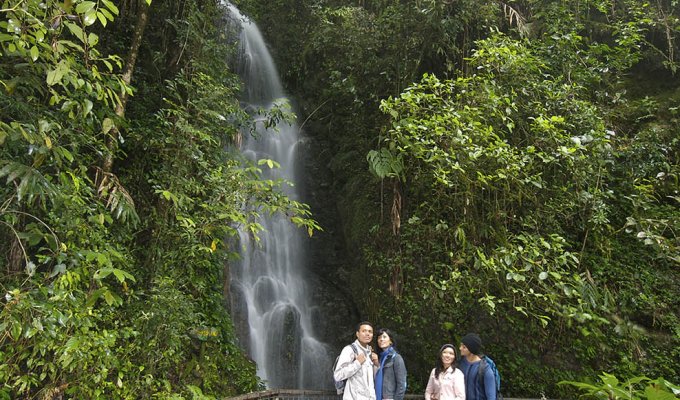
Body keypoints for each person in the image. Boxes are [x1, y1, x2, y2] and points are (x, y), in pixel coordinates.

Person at [334, 321, 379, 400]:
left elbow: (371, 379)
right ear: (357, 334)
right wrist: (357, 363)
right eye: (364, 331)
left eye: (370, 332)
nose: (367, 334)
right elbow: (338, 375)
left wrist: (376, 364)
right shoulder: (349, 350)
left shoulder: (370, 353)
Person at [458, 333, 497, 400]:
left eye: (464, 347)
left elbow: (491, 396)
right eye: (461, 345)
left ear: (471, 349)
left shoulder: (485, 369)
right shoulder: (459, 364)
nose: (460, 348)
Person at [374, 328, 407, 400]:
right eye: (379, 337)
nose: (381, 339)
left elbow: (402, 384)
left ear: (390, 341)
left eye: (384, 337)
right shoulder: (379, 358)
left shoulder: (396, 358)